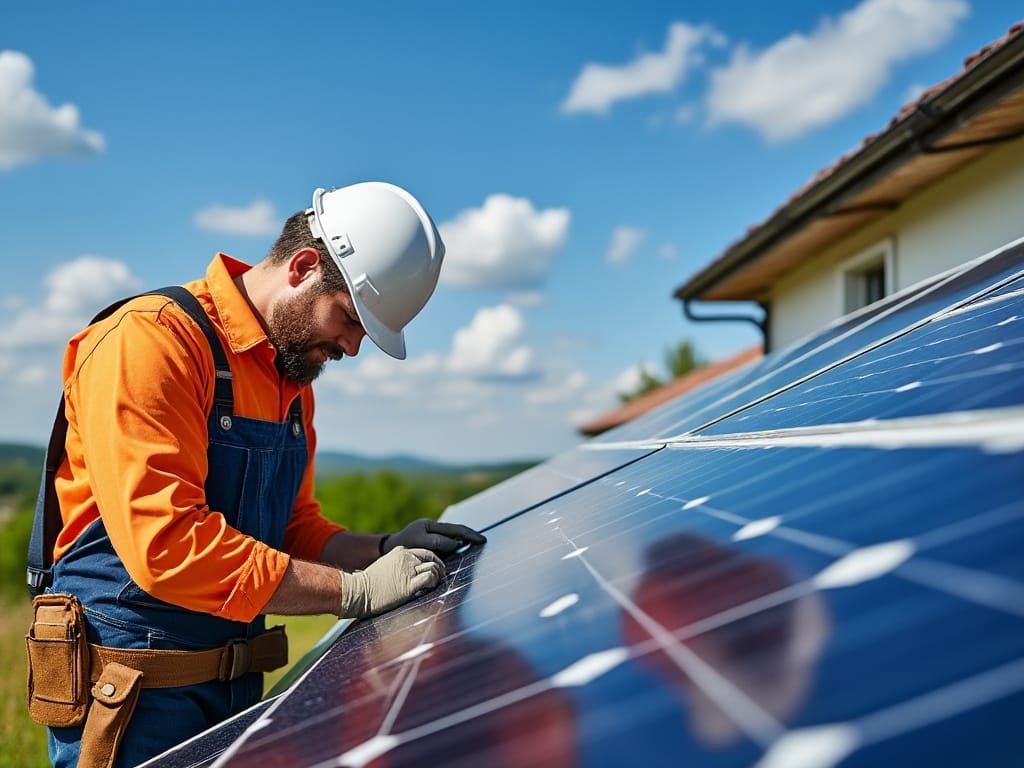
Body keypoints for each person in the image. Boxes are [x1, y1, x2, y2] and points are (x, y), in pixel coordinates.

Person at [34, 182, 486, 768]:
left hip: (236, 686)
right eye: (349, 319)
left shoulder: (291, 384)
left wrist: (379, 550)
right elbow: (167, 546)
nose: (352, 347)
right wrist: (353, 592)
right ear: (303, 267)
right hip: (130, 694)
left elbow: (292, 527)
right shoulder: (153, 341)